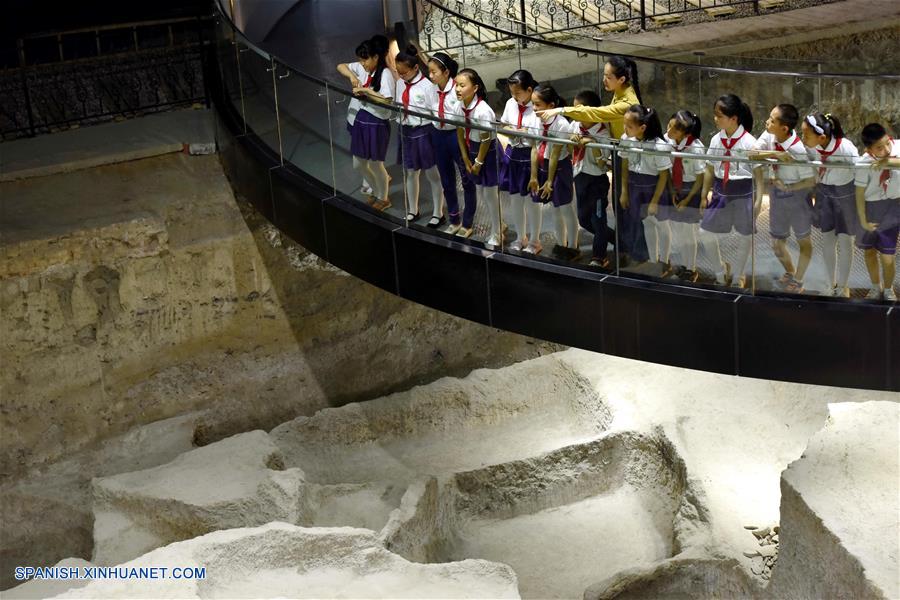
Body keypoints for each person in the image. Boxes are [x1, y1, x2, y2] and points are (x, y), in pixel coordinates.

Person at [749, 104, 816, 293]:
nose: (767, 122)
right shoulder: (770, 134)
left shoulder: (798, 150)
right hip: (777, 194)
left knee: (804, 240)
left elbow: (810, 181)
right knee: (777, 244)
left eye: (772, 120)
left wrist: (790, 187)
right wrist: (775, 154)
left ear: (784, 128)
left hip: (797, 196)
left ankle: (799, 280)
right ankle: (791, 272)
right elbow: (751, 154)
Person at [700, 94, 760, 288]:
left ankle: (738, 275)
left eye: (719, 116)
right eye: (715, 114)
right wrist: (704, 194)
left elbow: (759, 174)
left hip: (743, 192)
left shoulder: (750, 142)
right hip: (721, 191)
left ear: (734, 118)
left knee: (745, 236)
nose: (715, 119)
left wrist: (759, 199)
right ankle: (720, 270)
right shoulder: (716, 140)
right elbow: (710, 168)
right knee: (704, 232)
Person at [800, 112, 859, 297]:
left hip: (845, 194)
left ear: (822, 137)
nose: (803, 138)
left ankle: (843, 286)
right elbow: (812, 168)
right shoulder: (812, 148)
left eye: (806, 134)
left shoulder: (845, 148)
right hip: (824, 193)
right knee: (827, 239)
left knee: (845, 241)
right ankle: (829, 283)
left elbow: (859, 173)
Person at [336, 36, 395, 211]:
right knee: (358, 163)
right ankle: (377, 192)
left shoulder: (385, 74)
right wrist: (353, 77)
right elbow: (341, 66)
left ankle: (383, 198)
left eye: (365, 60)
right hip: (362, 119)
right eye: (360, 60)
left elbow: (387, 101)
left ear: (376, 57)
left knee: (376, 164)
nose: (362, 64)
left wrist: (365, 91)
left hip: (377, 122)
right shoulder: (366, 70)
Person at [393, 45, 443, 225]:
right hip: (406, 130)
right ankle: (413, 210)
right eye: (398, 72)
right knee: (410, 172)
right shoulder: (400, 83)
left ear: (415, 68)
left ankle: (438, 212)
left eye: (404, 72)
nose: (401, 75)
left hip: (424, 131)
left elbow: (435, 113)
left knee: (432, 173)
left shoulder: (428, 87)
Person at [427, 52, 475, 234]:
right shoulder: (431, 89)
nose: (430, 76)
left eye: (434, 72)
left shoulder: (457, 89)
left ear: (446, 72)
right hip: (438, 135)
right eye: (429, 72)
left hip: (456, 135)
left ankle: (468, 222)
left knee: (466, 179)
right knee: (446, 180)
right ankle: (454, 219)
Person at [528, 84, 578, 258]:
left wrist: (550, 181)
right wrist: (534, 176)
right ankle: (561, 244)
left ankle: (573, 247)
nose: (534, 108)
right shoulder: (535, 119)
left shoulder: (561, 124)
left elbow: (555, 154)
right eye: (533, 104)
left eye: (538, 105)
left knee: (565, 208)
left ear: (551, 106)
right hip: (544, 165)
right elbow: (534, 148)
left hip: (560, 168)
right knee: (555, 210)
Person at [618, 104, 672, 269]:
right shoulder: (626, 140)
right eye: (624, 124)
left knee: (662, 225)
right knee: (647, 223)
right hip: (635, 186)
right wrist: (624, 191)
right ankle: (653, 260)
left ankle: (665, 261)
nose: (625, 129)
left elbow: (663, 176)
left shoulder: (659, 146)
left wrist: (655, 201)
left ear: (642, 128)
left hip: (654, 188)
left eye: (629, 126)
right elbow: (624, 166)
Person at [452, 68, 500, 244]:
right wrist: (465, 158)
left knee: (490, 194)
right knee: (483, 193)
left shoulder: (483, 111)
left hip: (487, 152)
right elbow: (459, 131)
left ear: (475, 88)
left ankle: (497, 232)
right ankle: (499, 224)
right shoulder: (458, 106)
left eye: (462, 85)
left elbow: (486, 139)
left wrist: (478, 162)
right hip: (471, 148)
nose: (458, 89)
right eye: (456, 85)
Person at [854, 122, 899, 301]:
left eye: (887, 143)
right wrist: (863, 220)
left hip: (893, 206)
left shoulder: (897, 148)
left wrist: (888, 161)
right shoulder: (864, 163)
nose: (886, 149)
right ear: (869, 149)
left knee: (888, 256)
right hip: (871, 208)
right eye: (879, 148)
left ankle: (888, 289)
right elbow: (859, 193)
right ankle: (875, 286)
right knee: (870, 251)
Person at [570, 90, 613, 268]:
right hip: (580, 177)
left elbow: (602, 164)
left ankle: (599, 256)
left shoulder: (603, 133)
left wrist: (592, 143)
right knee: (583, 219)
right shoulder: (575, 125)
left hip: (596, 182)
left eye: (578, 109)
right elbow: (569, 146)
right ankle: (618, 240)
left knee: (598, 219)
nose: (574, 112)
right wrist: (572, 139)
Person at [497, 70, 537, 252]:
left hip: (530, 155)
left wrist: (520, 132)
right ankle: (521, 237)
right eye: (512, 92)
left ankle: (535, 241)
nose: (514, 96)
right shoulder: (510, 103)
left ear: (529, 90)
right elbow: (504, 124)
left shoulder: (537, 107)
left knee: (531, 201)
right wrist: (516, 131)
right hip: (513, 153)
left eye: (517, 93)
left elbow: (537, 134)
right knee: (515, 199)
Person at [665, 110, 706, 282]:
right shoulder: (667, 141)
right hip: (675, 187)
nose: (669, 131)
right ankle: (683, 264)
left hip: (692, 190)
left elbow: (700, 178)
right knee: (680, 231)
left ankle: (691, 268)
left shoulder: (696, 148)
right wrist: (672, 192)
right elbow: (667, 168)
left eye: (675, 130)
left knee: (689, 232)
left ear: (686, 134)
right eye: (669, 126)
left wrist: (687, 200)